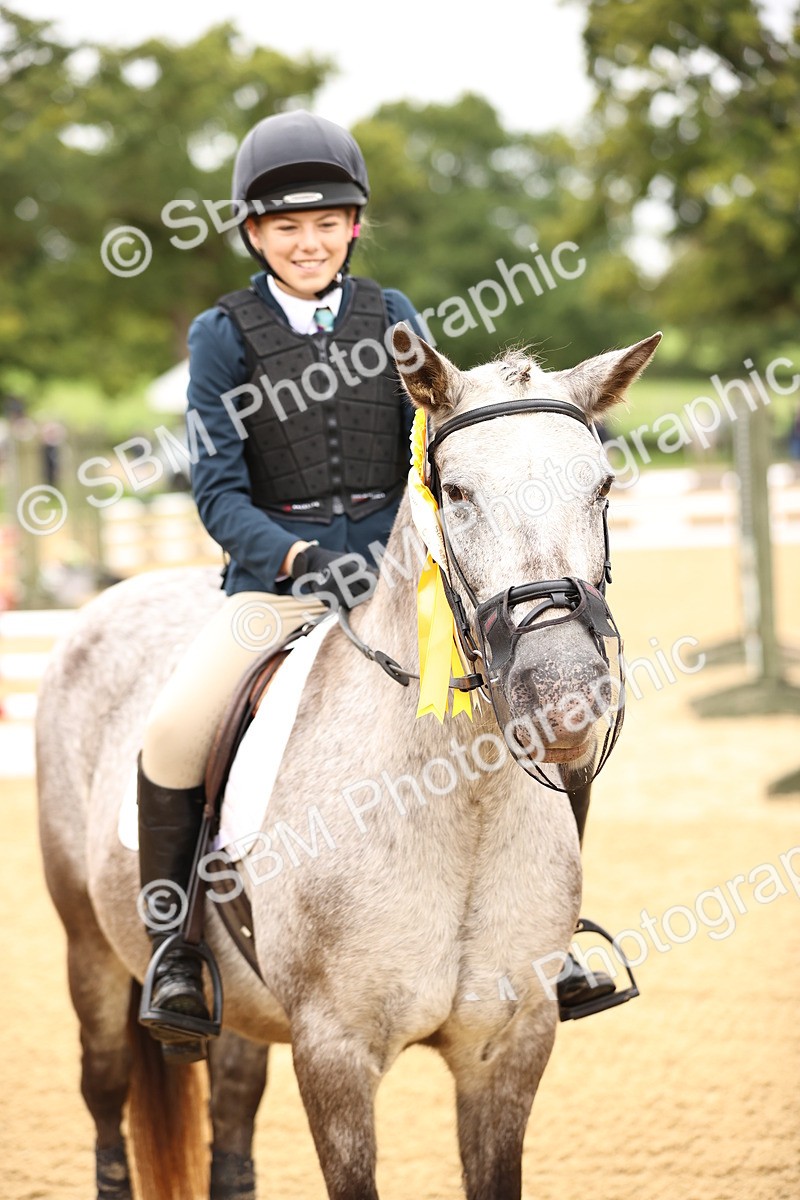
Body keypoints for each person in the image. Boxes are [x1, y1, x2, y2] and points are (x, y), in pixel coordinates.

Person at [136, 110, 427, 1060]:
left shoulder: (395, 316)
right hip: (278, 585)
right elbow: (217, 491)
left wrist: (396, 553)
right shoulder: (222, 335)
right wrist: (300, 558)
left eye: (328, 223)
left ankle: (555, 930)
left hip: (394, 580)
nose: (310, 242)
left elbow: (430, 450)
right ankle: (176, 951)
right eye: (287, 226)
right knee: (173, 732)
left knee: (530, 691)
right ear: (254, 234)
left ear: (354, 226)